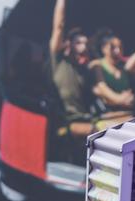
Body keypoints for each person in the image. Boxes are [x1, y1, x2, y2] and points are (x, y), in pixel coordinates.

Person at [49, 0, 97, 149]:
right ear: (68, 46)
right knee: (99, 133)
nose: (83, 48)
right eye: (78, 43)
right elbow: (58, 27)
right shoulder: (59, 61)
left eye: (85, 44)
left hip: (88, 120)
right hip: (68, 123)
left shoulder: (84, 71)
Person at [90, 29, 135, 126]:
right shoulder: (97, 65)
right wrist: (121, 99)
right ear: (103, 49)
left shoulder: (123, 67)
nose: (118, 51)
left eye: (120, 47)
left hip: (128, 115)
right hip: (107, 118)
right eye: (113, 47)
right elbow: (102, 89)